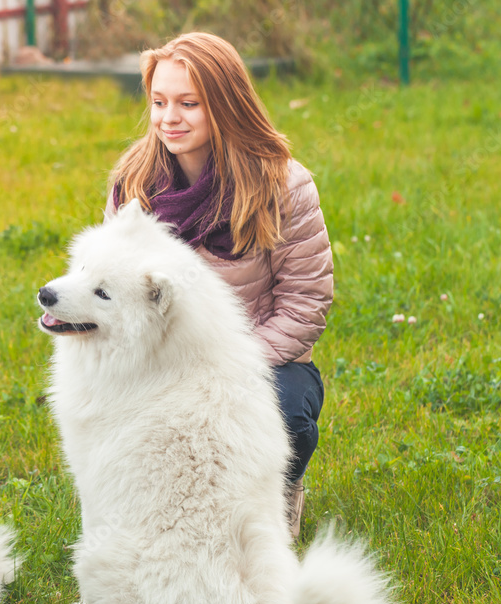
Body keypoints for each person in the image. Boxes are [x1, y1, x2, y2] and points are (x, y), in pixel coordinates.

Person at [106, 32, 332, 539]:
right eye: (159, 102)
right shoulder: (134, 184)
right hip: (159, 359)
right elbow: (116, 292)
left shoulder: (283, 186)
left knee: (287, 415)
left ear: (226, 104)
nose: (169, 118)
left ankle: (279, 492)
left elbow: (306, 301)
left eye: (189, 103)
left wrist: (228, 368)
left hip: (258, 359)